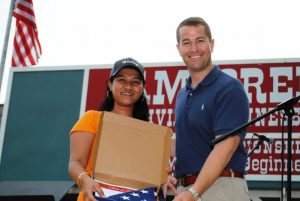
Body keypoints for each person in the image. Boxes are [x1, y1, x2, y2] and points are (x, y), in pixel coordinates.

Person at [167, 17, 251, 201]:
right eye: (187, 42)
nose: (194, 49)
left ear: (211, 44)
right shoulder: (182, 95)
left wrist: (194, 192)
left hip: (220, 189)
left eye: (200, 40)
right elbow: (182, 144)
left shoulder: (228, 87)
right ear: (179, 49)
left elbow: (225, 147)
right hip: (185, 190)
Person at [68, 57, 149, 201]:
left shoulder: (148, 132)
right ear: (110, 84)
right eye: (122, 80)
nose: (128, 86)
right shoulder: (92, 118)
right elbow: (75, 163)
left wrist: (162, 177)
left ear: (142, 88)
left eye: (135, 82)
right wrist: (85, 180)